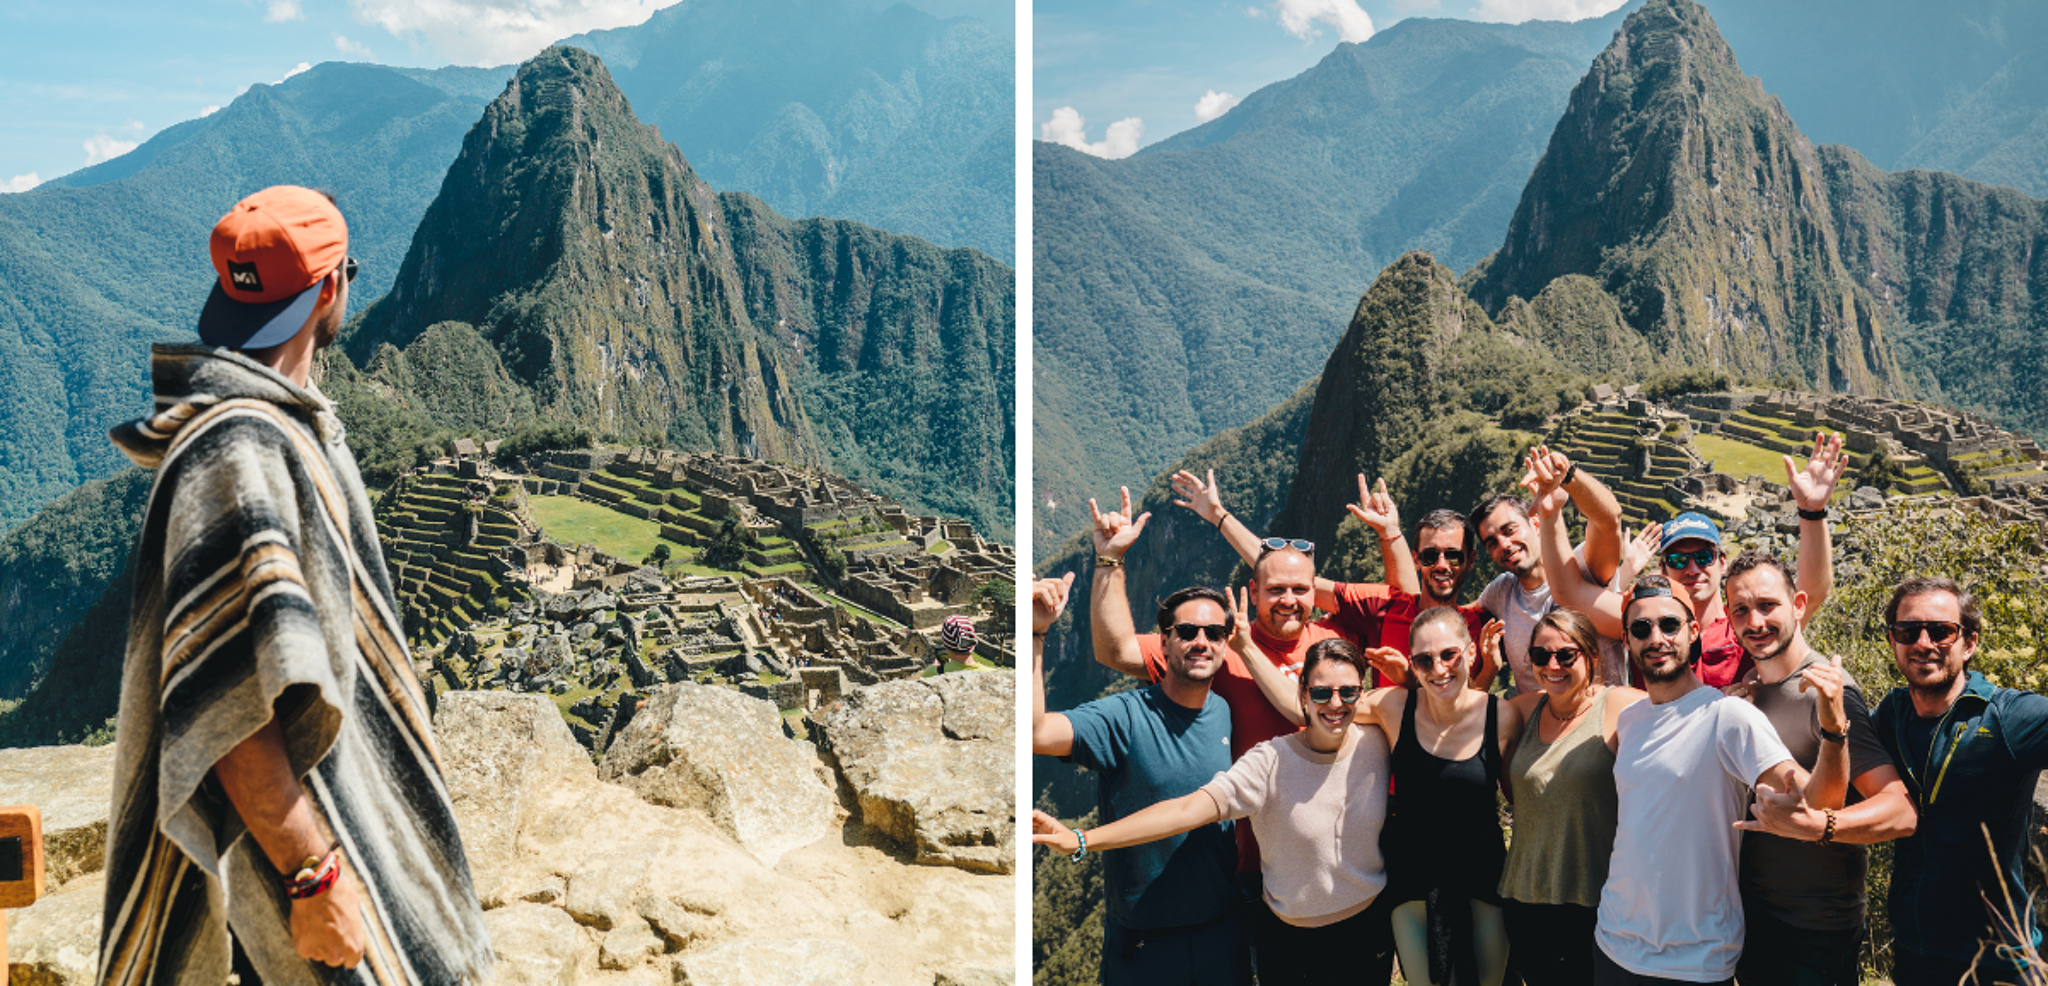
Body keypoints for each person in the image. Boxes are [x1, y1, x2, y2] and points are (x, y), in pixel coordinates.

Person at [100, 186, 490, 982]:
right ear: (333, 288)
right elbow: (228, 709)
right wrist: (315, 878)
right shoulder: (241, 449)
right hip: (277, 875)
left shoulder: (279, 424)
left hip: (301, 848)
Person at [1090, 484, 1414, 882]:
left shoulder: (1340, 641)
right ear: (1253, 593)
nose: (1288, 600)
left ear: (1317, 592)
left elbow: (1405, 608)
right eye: (1276, 590)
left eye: (1300, 589)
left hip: (1345, 857)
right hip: (1254, 864)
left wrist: (1390, 535)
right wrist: (1109, 560)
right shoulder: (1216, 647)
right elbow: (1116, 651)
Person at [1033, 635, 1397, 986]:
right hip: (1291, 945)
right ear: (1302, 694)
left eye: (1348, 691)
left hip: (1368, 932)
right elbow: (1186, 810)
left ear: (1361, 693)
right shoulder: (1270, 762)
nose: (1335, 704)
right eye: (1321, 692)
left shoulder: (1379, 741)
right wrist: (1082, 839)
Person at [1749, 577, 2048, 984]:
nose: (1923, 643)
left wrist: (1818, 826)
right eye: (1908, 631)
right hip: (1914, 951)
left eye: (1941, 631)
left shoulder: (2008, 718)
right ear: (1893, 641)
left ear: (1970, 643)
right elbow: (1847, 780)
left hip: (1999, 959)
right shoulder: (1891, 714)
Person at [1235, 603, 1524, 986]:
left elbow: (1519, 796)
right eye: (1424, 660)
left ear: (1470, 651)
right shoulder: (1394, 707)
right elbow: (1314, 707)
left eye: (1448, 654)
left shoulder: (1502, 717)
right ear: (1413, 665)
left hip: (1482, 875)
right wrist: (1247, 648)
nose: (1438, 668)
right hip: (1412, 880)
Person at [1594, 574, 1848, 986]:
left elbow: (1819, 802)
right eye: (1641, 629)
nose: (1656, 637)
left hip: (1695, 957)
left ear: (1694, 631)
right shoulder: (1630, 720)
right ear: (1627, 641)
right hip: (1612, 942)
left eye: (1669, 625)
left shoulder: (1728, 716)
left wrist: (1835, 731)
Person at [1031, 571, 1248, 986]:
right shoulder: (1124, 716)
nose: (1201, 641)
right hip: (1145, 943)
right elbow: (1037, 733)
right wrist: (1035, 636)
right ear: (1163, 642)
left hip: (1223, 930)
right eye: (1186, 631)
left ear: (1225, 644)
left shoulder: (1226, 710)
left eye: (1214, 633)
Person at [1716, 553, 1915, 986]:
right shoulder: (1753, 687)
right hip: (1755, 913)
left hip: (1814, 929)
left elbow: (1899, 809)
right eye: (1741, 610)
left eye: (1768, 605)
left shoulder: (1826, 691)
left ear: (1799, 605)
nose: (1755, 621)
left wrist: (1820, 825)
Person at [1542, 433, 1847, 690]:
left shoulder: (1747, 626)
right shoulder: (1644, 623)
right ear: (1663, 569)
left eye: (1704, 557)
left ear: (1721, 562)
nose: (1692, 569)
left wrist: (1812, 513)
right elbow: (1568, 592)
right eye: (1678, 559)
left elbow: (1813, 591)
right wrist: (1550, 513)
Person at [1168, 469, 1488, 665]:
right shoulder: (1384, 607)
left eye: (1454, 555)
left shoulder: (1483, 624)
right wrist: (1219, 516)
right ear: (1416, 559)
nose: (1442, 565)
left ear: (1470, 560)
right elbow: (1288, 577)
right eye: (1430, 556)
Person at [1497, 609, 1647, 986]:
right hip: (1525, 895)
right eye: (1540, 656)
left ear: (1592, 657)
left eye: (1566, 655)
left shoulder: (1621, 706)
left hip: (1597, 899)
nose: (1553, 665)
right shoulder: (1523, 709)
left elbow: (1684, 712)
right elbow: (1462, 717)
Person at [1470, 446, 1628, 693]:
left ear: (1535, 523)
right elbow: (1457, 615)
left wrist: (1569, 477)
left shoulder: (1584, 567)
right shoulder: (1501, 592)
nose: (1504, 545)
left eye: (1509, 530)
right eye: (1492, 543)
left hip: (1602, 725)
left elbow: (1609, 520)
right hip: (1535, 727)